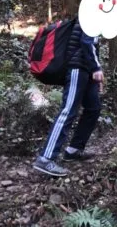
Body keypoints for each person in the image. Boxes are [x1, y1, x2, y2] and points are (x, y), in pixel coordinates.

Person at [33, 18, 104, 177]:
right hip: (77, 69)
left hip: (86, 70)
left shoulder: (96, 15)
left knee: (93, 108)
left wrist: (95, 71)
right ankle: (46, 158)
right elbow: (87, 42)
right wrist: (97, 68)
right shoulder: (91, 16)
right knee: (68, 110)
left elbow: (90, 46)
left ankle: (73, 150)